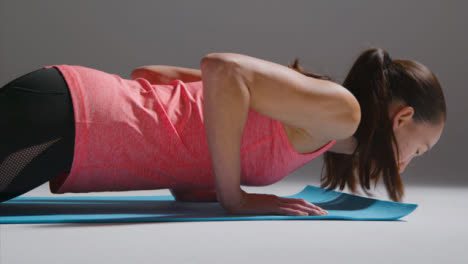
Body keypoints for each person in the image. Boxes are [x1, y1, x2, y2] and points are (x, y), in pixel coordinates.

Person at [0, 47, 446, 217]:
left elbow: (151, 74)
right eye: (420, 150)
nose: (408, 161)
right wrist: (234, 196)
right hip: (68, 120)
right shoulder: (342, 112)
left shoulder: (318, 126)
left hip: (66, 116)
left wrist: (200, 175)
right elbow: (223, 68)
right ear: (401, 118)